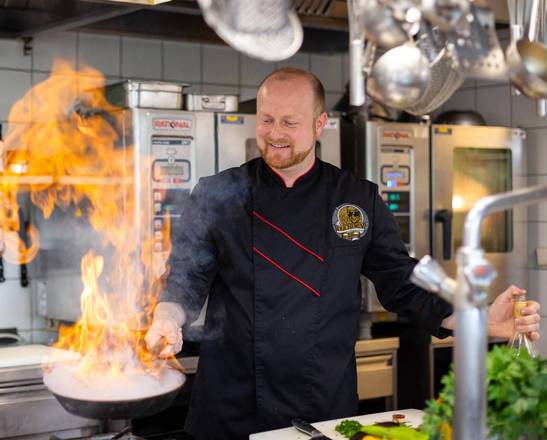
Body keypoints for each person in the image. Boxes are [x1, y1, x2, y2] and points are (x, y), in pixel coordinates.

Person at [145, 67, 541, 440]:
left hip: (322, 410)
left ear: (319, 125)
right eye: (266, 119)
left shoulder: (356, 199)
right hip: (232, 408)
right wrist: (167, 316)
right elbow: (185, 275)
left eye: (290, 122)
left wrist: (480, 320)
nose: (275, 133)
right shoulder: (217, 193)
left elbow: (404, 282)